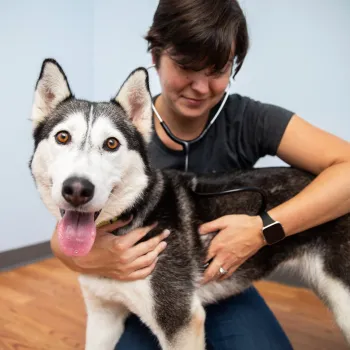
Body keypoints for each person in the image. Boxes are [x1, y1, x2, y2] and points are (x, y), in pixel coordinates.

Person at [50, 0, 350, 349]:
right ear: (155, 53)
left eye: (217, 70)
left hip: (223, 282)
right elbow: (70, 223)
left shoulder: (248, 119)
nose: (200, 87)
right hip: (138, 284)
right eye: (186, 66)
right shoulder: (117, 136)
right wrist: (87, 256)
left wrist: (264, 227)